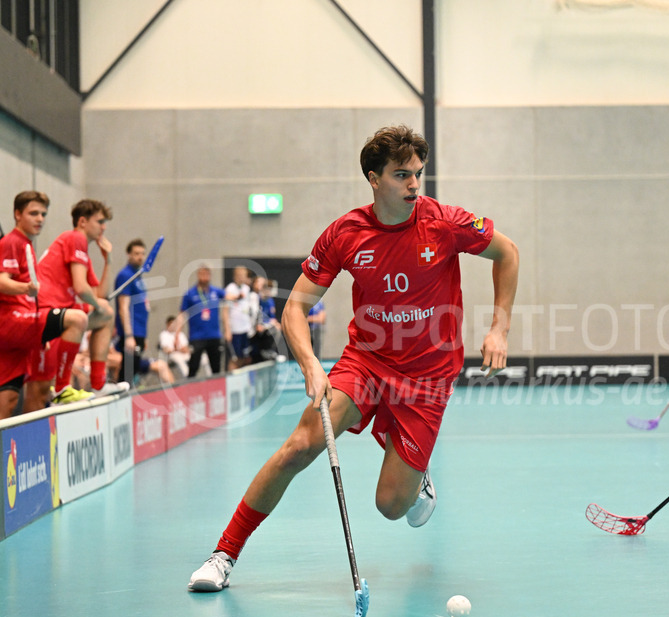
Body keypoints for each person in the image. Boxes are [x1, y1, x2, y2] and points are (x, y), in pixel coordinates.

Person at [188, 124, 519, 592]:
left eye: (418, 174)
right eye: (402, 175)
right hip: (367, 362)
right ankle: (223, 554)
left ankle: (414, 472)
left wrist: (499, 328)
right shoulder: (346, 234)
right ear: (373, 178)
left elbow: (508, 252)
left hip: (428, 375)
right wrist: (310, 367)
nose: (413, 185)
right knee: (299, 446)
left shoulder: (444, 222)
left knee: (391, 505)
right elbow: (295, 308)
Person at [27, 198, 125, 411]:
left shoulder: (80, 250)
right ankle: (63, 389)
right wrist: (98, 306)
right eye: (100, 221)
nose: (104, 227)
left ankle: (98, 383)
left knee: (106, 313)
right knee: (38, 390)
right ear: (82, 221)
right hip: (44, 311)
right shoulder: (74, 239)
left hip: (64, 313)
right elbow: (82, 289)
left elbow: (100, 293)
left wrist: (107, 259)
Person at [0, 191, 90, 418]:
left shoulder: (27, 245)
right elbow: (2, 280)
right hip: (10, 321)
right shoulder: (12, 241)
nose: (40, 218)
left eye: (43, 214)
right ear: (17, 214)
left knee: (8, 399)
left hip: (21, 327)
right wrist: (25, 288)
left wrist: (42, 335)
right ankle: (62, 388)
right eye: (33, 213)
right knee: (77, 319)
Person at [114, 239, 173, 386]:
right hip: (131, 333)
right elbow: (123, 307)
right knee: (128, 373)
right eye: (136, 254)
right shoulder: (126, 275)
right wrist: (128, 335)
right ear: (129, 255)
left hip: (139, 332)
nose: (140, 257)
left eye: (142, 254)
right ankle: (122, 401)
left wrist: (143, 336)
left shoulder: (137, 276)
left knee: (134, 370)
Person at [175, 265, 227, 377]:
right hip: (197, 337)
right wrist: (177, 335)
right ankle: (189, 391)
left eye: (207, 274)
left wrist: (240, 295)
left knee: (216, 368)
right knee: (193, 366)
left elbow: (229, 296)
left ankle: (216, 390)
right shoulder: (190, 294)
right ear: (198, 275)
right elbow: (182, 315)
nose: (204, 277)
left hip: (214, 336)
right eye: (202, 274)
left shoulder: (216, 292)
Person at [224, 265, 254, 369]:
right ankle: (231, 381)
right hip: (234, 330)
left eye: (243, 275)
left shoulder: (246, 289)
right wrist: (227, 330)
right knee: (234, 358)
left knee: (245, 358)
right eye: (239, 275)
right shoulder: (230, 289)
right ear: (235, 276)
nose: (241, 278)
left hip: (245, 329)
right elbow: (225, 311)